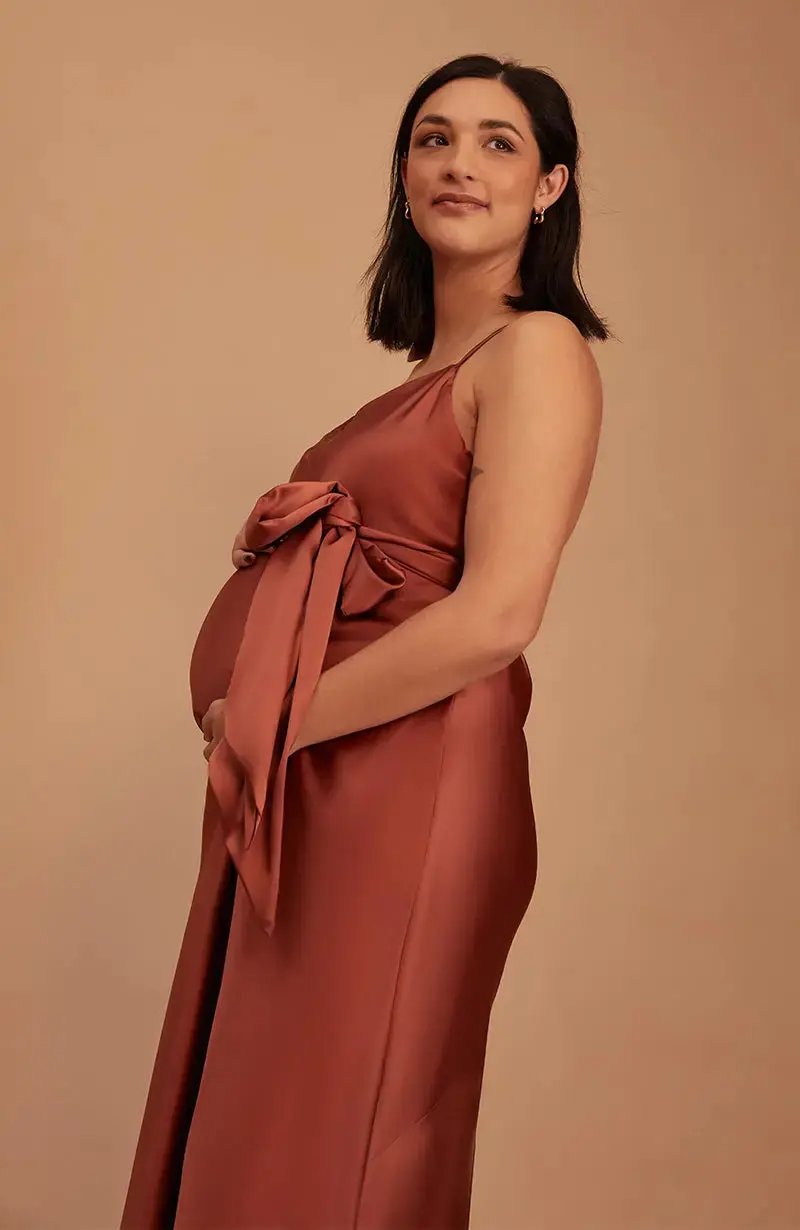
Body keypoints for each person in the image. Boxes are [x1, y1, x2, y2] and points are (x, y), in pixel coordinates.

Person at [121, 51, 608, 1230]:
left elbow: (497, 615)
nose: (458, 163)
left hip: (415, 780)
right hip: (320, 781)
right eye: (433, 137)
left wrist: (268, 724)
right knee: (272, 1116)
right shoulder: (424, 372)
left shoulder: (534, 349)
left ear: (548, 186)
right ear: (402, 172)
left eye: (498, 143)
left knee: (351, 1127)